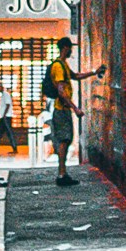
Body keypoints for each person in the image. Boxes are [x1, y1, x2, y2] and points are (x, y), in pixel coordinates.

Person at [42, 36, 98, 183]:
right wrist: (75, 108)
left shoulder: (63, 65)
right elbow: (61, 91)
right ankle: (61, 174)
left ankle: (63, 173)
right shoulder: (58, 66)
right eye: (70, 48)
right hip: (61, 109)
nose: (71, 51)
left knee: (66, 140)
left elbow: (76, 76)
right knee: (64, 140)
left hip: (63, 109)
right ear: (65, 48)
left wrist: (94, 72)